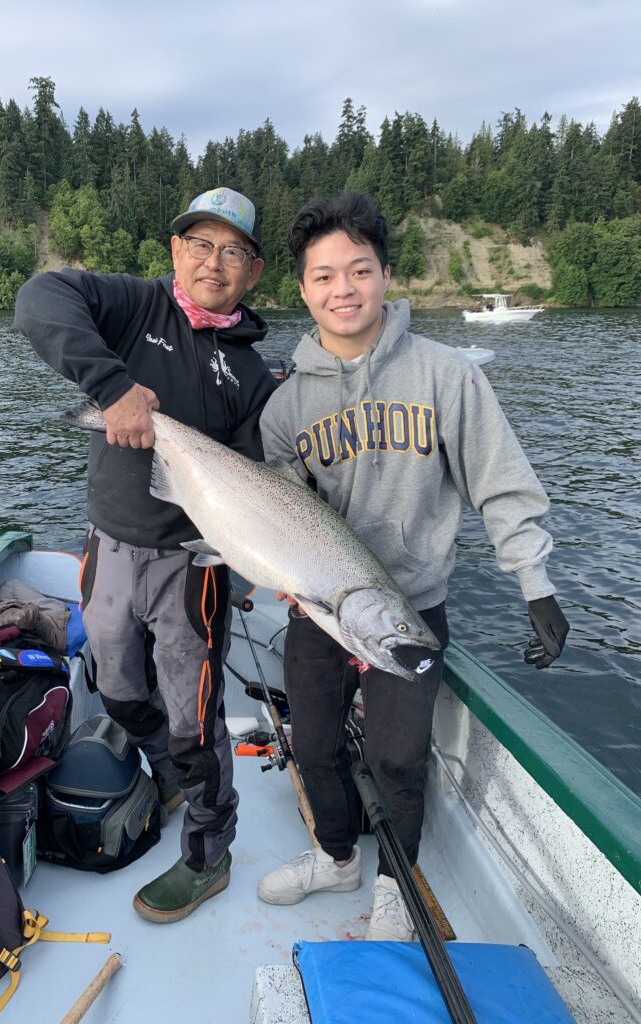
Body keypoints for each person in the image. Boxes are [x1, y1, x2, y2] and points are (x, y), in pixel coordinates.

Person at [257, 192, 569, 940]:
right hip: (320, 610)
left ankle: (397, 889)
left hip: (412, 609)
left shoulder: (448, 376)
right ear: (302, 289)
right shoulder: (284, 409)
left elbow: (501, 484)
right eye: (324, 276)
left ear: (386, 276)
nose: (343, 289)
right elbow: (277, 514)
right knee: (314, 745)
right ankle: (336, 858)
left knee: (398, 761)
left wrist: (536, 584)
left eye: (359, 270)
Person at [14, 186, 276, 923]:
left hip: (191, 567)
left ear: (253, 271)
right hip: (108, 545)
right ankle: (169, 772)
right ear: (175, 252)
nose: (213, 262)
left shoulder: (256, 376)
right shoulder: (132, 306)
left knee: (196, 721)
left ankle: (209, 849)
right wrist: (113, 387)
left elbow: (255, 487)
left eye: (233, 251)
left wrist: (261, 564)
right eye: (200, 244)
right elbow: (39, 299)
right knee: (117, 688)